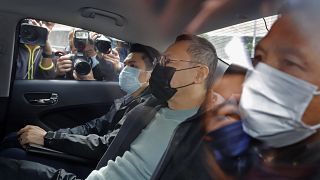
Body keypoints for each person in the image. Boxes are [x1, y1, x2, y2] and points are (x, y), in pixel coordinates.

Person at [0, 34, 218, 180]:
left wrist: (49, 138)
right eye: (159, 62)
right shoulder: (153, 106)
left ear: (199, 74)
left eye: (167, 62)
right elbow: (109, 142)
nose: (160, 69)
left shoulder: (206, 133)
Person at [0, 43, 160, 177]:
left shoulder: (145, 107)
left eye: (133, 66)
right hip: (90, 156)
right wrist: (51, 136)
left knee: (11, 157)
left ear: (151, 74)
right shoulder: (128, 99)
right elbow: (92, 127)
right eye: (125, 65)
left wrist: (48, 139)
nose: (125, 70)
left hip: (97, 166)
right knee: (14, 140)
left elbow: (107, 145)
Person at [56, 31, 120, 81]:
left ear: (98, 50)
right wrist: (59, 74)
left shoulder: (108, 63)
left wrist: (115, 71)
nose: (84, 56)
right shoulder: (65, 61)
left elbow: (114, 93)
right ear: (70, 50)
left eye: (89, 51)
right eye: (79, 51)